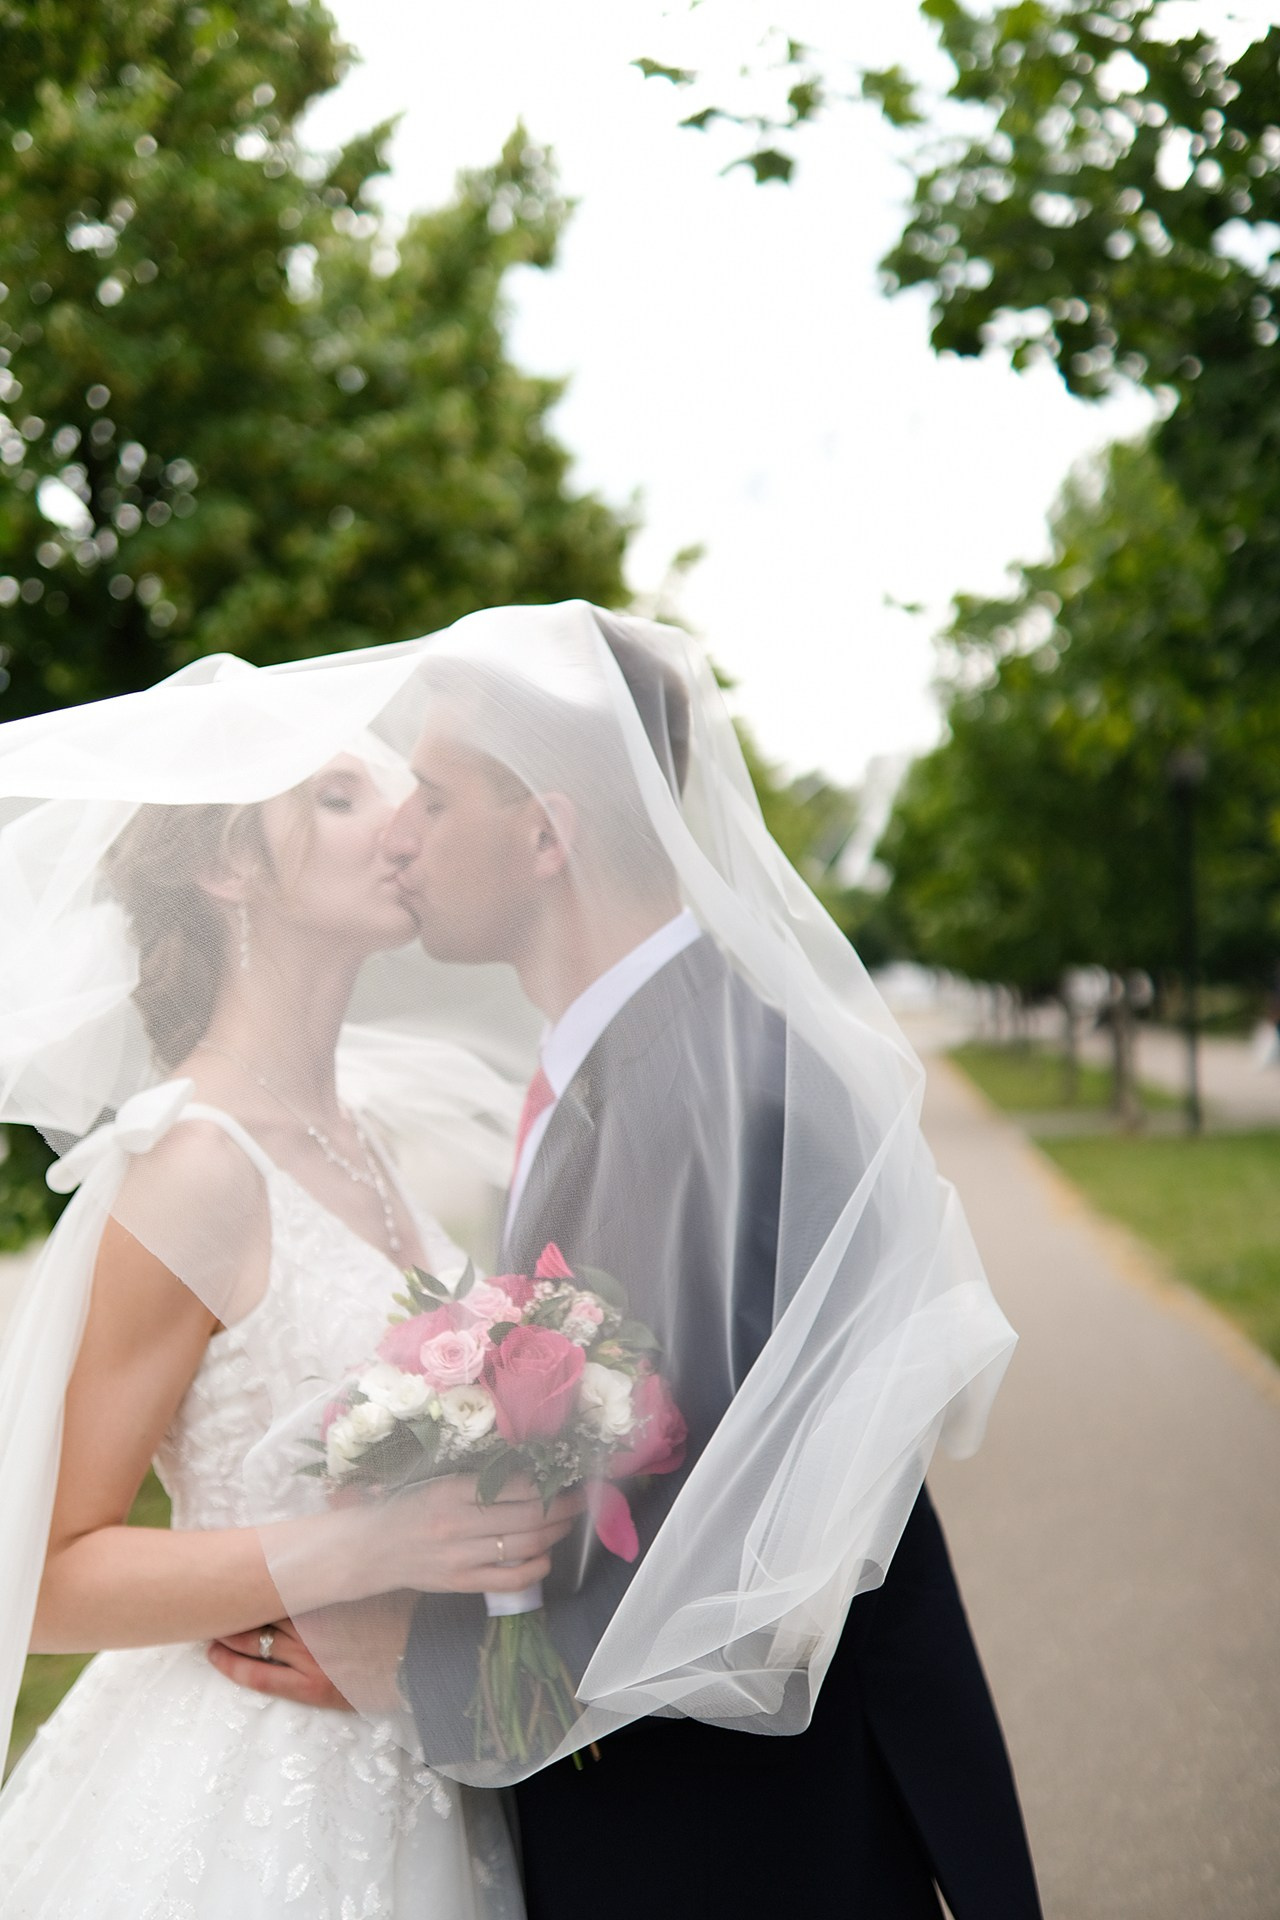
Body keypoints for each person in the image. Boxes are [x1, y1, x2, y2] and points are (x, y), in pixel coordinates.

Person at [219, 606, 1042, 1918]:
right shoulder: (636, 1054)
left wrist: (414, 1662)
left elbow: (739, 1534)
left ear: (547, 832)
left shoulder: (706, 1088)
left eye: (432, 795)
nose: (402, 833)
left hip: (739, 1841)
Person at [0, 743, 547, 1918]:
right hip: (248, 1776)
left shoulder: (368, 1138)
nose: (397, 826)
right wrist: (362, 1556)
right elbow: (43, 1576)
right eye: (335, 799)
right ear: (223, 870)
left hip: (414, 1748)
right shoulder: (196, 1164)